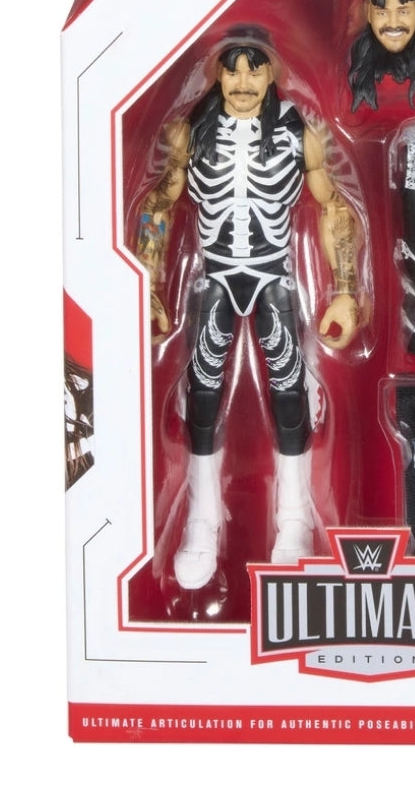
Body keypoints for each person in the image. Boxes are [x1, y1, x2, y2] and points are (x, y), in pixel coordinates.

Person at [137, 32, 364, 590]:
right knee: (202, 399)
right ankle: (201, 517)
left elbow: (333, 206)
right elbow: (159, 203)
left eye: (253, 70)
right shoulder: (189, 132)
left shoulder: (299, 132)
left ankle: (295, 518)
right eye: (232, 70)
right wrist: (149, 286)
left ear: (271, 75)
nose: (242, 82)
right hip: (214, 276)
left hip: (274, 278)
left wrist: (345, 289)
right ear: (217, 74)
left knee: (290, 397)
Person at [347, 0, 415, 111]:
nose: (393, 24)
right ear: (368, 12)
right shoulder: (349, 71)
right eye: (382, 13)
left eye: (403, 12)